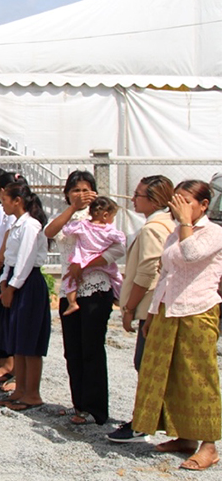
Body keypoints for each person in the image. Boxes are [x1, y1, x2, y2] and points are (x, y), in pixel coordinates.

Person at [130, 180, 222, 471]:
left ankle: (209, 445)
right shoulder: (174, 232)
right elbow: (165, 275)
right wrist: (152, 314)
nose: (178, 206)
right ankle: (185, 436)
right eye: (176, 200)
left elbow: (191, 254)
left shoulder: (214, 233)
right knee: (170, 374)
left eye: (186, 201)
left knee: (199, 377)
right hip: (168, 309)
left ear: (203, 205)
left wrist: (184, 223)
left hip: (198, 309)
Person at [44, 170, 124, 426]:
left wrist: (87, 265)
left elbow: (117, 248)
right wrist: (72, 208)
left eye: (85, 190)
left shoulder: (101, 216)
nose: (80, 194)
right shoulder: (67, 218)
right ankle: (79, 404)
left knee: (92, 348)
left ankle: (95, 409)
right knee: (73, 350)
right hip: (70, 290)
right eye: (75, 190)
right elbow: (49, 232)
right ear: (67, 193)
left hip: (95, 288)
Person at [107, 175, 175, 443]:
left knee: (145, 364)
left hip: (150, 307)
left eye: (138, 195)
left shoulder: (153, 229)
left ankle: (143, 422)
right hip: (164, 304)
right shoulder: (169, 224)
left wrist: (129, 307)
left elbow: (147, 273)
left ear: (155, 200)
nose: (133, 199)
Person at [0, 179, 50, 412]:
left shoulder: (30, 225)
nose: (3, 205)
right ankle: (20, 390)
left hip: (28, 283)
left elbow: (26, 260)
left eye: (5, 200)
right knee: (18, 340)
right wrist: (2, 281)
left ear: (17, 201)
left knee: (29, 342)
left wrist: (12, 287)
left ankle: (32, 394)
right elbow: (10, 258)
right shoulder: (18, 225)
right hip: (15, 281)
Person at [59, 197, 125, 317]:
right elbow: (121, 241)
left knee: (70, 280)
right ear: (105, 215)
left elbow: (66, 230)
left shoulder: (83, 225)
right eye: (113, 216)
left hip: (82, 259)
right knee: (116, 277)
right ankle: (118, 298)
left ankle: (72, 303)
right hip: (101, 260)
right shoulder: (109, 230)